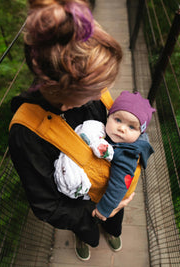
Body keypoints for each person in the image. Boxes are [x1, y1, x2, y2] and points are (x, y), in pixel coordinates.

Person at [8, 0, 137, 261]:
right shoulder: (26, 133)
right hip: (81, 208)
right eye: (95, 90)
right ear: (69, 100)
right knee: (88, 230)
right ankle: (86, 237)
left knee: (114, 221)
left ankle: (112, 230)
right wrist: (98, 211)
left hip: (111, 185)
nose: (102, 93)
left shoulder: (91, 92)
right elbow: (47, 205)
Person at [54, 91, 155, 223]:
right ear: (109, 116)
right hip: (104, 190)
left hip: (112, 198)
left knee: (112, 222)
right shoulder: (112, 136)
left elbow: (120, 184)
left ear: (140, 133)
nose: (122, 129)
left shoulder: (127, 154)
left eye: (131, 127)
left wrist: (104, 209)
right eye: (118, 120)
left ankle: (113, 233)